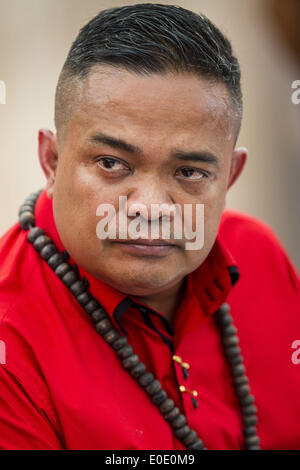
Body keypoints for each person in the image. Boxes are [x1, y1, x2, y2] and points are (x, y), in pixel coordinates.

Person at [0, 3, 299, 451]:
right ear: (52, 160)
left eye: (190, 172)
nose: (150, 208)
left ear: (230, 178)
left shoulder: (259, 254)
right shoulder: (10, 337)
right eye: (112, 163)